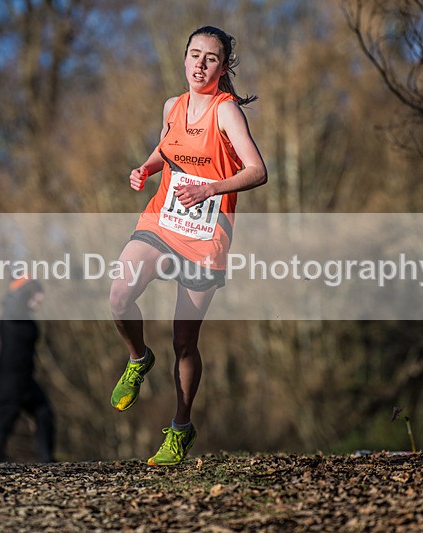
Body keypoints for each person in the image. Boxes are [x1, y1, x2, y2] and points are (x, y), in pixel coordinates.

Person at [109, 26, 267, 466]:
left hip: (206, 234)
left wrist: (212, 189)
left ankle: (180, 428)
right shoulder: (172, 106)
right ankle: (138, 358)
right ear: (183, 58)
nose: (200, 64)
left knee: (184, 341)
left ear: (222, 67)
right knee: (120, 292)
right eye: (194, 54)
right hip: (163, 220)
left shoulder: (227, 112)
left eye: (210, 58)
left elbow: (257, 170)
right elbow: (167, 150)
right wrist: (145, 168)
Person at [0, 278, 56, 463]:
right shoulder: (12, 313)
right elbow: (15, 300)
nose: (40, 301)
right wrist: (26, 285)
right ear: (26, 294)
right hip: (10, 379)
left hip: (25, 378)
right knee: (5, 419)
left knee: (43, 412)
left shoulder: (24, 315)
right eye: (37, 296)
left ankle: (47, 459)